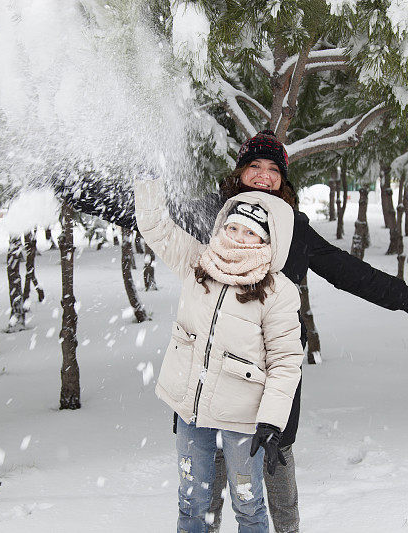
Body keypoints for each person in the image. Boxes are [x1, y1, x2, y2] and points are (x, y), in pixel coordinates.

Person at [55, 130, 408, 532]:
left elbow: (342, 268)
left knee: (275, 452)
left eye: (273, 169)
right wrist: (83, 193)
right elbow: (153, 217)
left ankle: (285, 528)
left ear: (284, 178)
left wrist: (396, 294)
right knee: (208, 454)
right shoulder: (217, 212)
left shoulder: (295, 229)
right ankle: (209, 523)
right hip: (214, 364)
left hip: (274, 366)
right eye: (255, 166)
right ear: (240, 171)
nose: (264, 176)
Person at [134, 175, 303, 532]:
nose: (239, 239)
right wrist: (147, 178)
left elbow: (286, 363)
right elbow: (155, 227)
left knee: (248, 504)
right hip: (192, 412)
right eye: (234, 228)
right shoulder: (200, 263)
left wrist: (271, 420)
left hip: (244, 419)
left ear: (269, 239)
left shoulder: (278, 292)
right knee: (191, 501)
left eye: (251, 233)